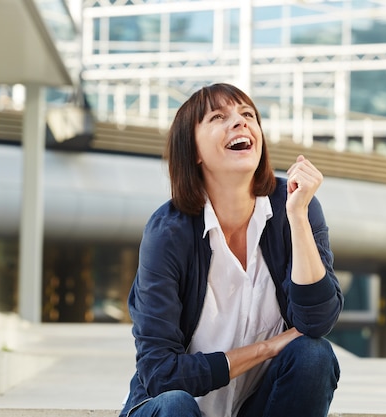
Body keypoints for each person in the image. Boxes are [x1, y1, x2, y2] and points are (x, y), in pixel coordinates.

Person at [120, 83, 343, 417]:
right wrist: (265, 349)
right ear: (193, 150)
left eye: (248, 114)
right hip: (174, 409)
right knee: (175, 405)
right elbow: (160, 373)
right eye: (218, 117)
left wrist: (297, 217)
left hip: (256, 406)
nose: (240, 122)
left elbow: (316, 321)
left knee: (314, 355)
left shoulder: (296, 206)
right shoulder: (168, 232)